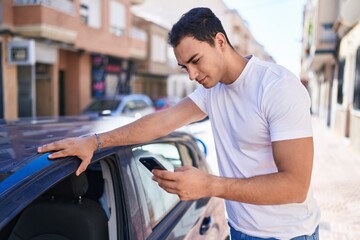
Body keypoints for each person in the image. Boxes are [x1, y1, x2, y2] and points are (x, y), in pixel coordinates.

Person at [38, 7, 320, 240]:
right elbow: (161, 121)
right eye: (185, 66)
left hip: (288, 234)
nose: (192, 75)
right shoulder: (213, 91)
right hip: (240, 231)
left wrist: (209, 185)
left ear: (220, 41)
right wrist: (96, 141)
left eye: (196, 61)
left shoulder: (277, 87)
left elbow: (294, 186)